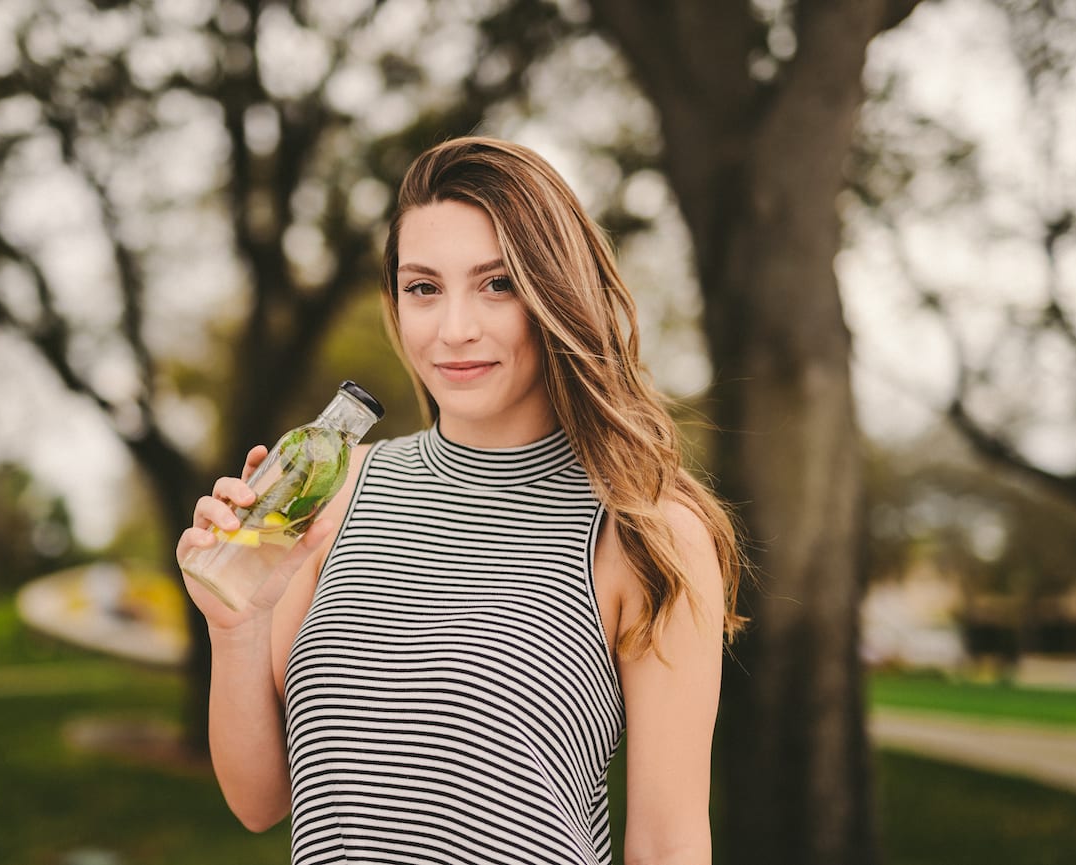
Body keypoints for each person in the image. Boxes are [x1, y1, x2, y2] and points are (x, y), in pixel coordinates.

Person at [177, 136, 744, 865]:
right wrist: (237, 627)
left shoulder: (644, 531)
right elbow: (259, 801)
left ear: (556, 294)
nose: (454, 329)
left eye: (497, 283)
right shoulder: (337, 493)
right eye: (423, 288)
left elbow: (668, 847)